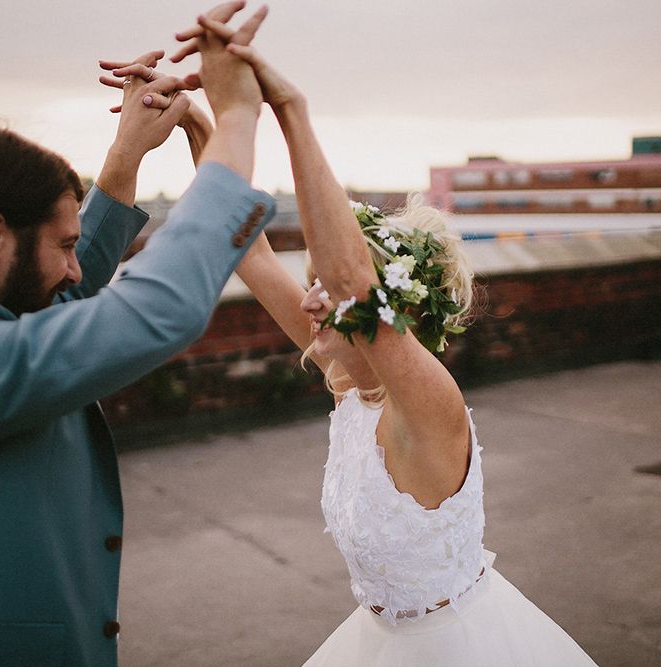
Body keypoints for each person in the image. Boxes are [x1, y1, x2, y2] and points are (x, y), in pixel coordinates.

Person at [167, 10, 599, 666]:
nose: (309, 298)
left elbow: (347, 282)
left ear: (384, 310)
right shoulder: (346, 378)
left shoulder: (428, 405)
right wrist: (203, 127)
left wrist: (289, 110)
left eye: (325, 287)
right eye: (311, 283)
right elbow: (248, 253)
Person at [0, 3, 273, 665]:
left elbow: (59, 300)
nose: (76, 265)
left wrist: (124, 158)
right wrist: (237, 121)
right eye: (63, 243)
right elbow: (150, 311)